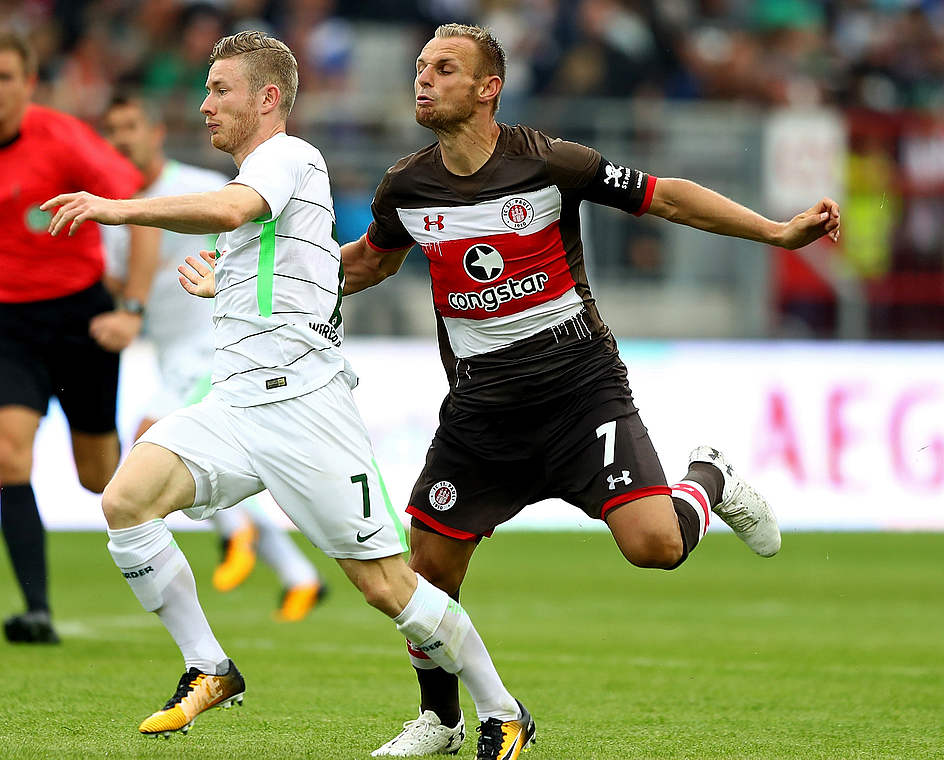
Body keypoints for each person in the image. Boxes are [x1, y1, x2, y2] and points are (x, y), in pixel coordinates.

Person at [340, 23, 841, 759]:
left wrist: (776, 232)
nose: (424, 79)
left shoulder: (549, 163)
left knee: (655, 548)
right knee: (428, 572)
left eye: (445, 69)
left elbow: (666, 198)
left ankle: (711, 477)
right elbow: (370, 265)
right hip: (481, 413)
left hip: (580, 392)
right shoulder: (406, 187)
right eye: (420, 67)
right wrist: (268, 282)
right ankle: (441, 720)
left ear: (488, 89)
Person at [42, 31, 532, 757]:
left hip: (306, 409)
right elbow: (290, 267)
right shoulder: (267, 179)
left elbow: (232, 211)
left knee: (388, 588)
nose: (205, 105)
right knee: (125, 502)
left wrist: (118, 208)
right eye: (206, 89)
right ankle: (208, 668)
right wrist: (227, 283)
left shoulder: (288, 156)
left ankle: (502, 709)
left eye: (220, 90)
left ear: (267, 99)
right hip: (235, 404)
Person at [0, 27, 151, 645]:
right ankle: (36, 609)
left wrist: (131, 306)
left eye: (4, 78)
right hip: (7, 323)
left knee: (98, 480)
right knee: (9, 453)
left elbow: (137, 203)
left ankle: (166, 465)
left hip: (81, 318)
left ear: (27, 83)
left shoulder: (66, 138)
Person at [99, 93, 326, 622]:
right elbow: (117, 277)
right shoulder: (122, 205)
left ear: (155, 132)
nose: (121, 139)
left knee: (150, 439)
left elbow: (242, 220)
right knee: (213, 459)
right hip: (171, 353)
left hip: (215, 345)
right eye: (112, 130)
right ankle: (299, 575)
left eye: (130, 125)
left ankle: (237, 531)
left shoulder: (191, 186)